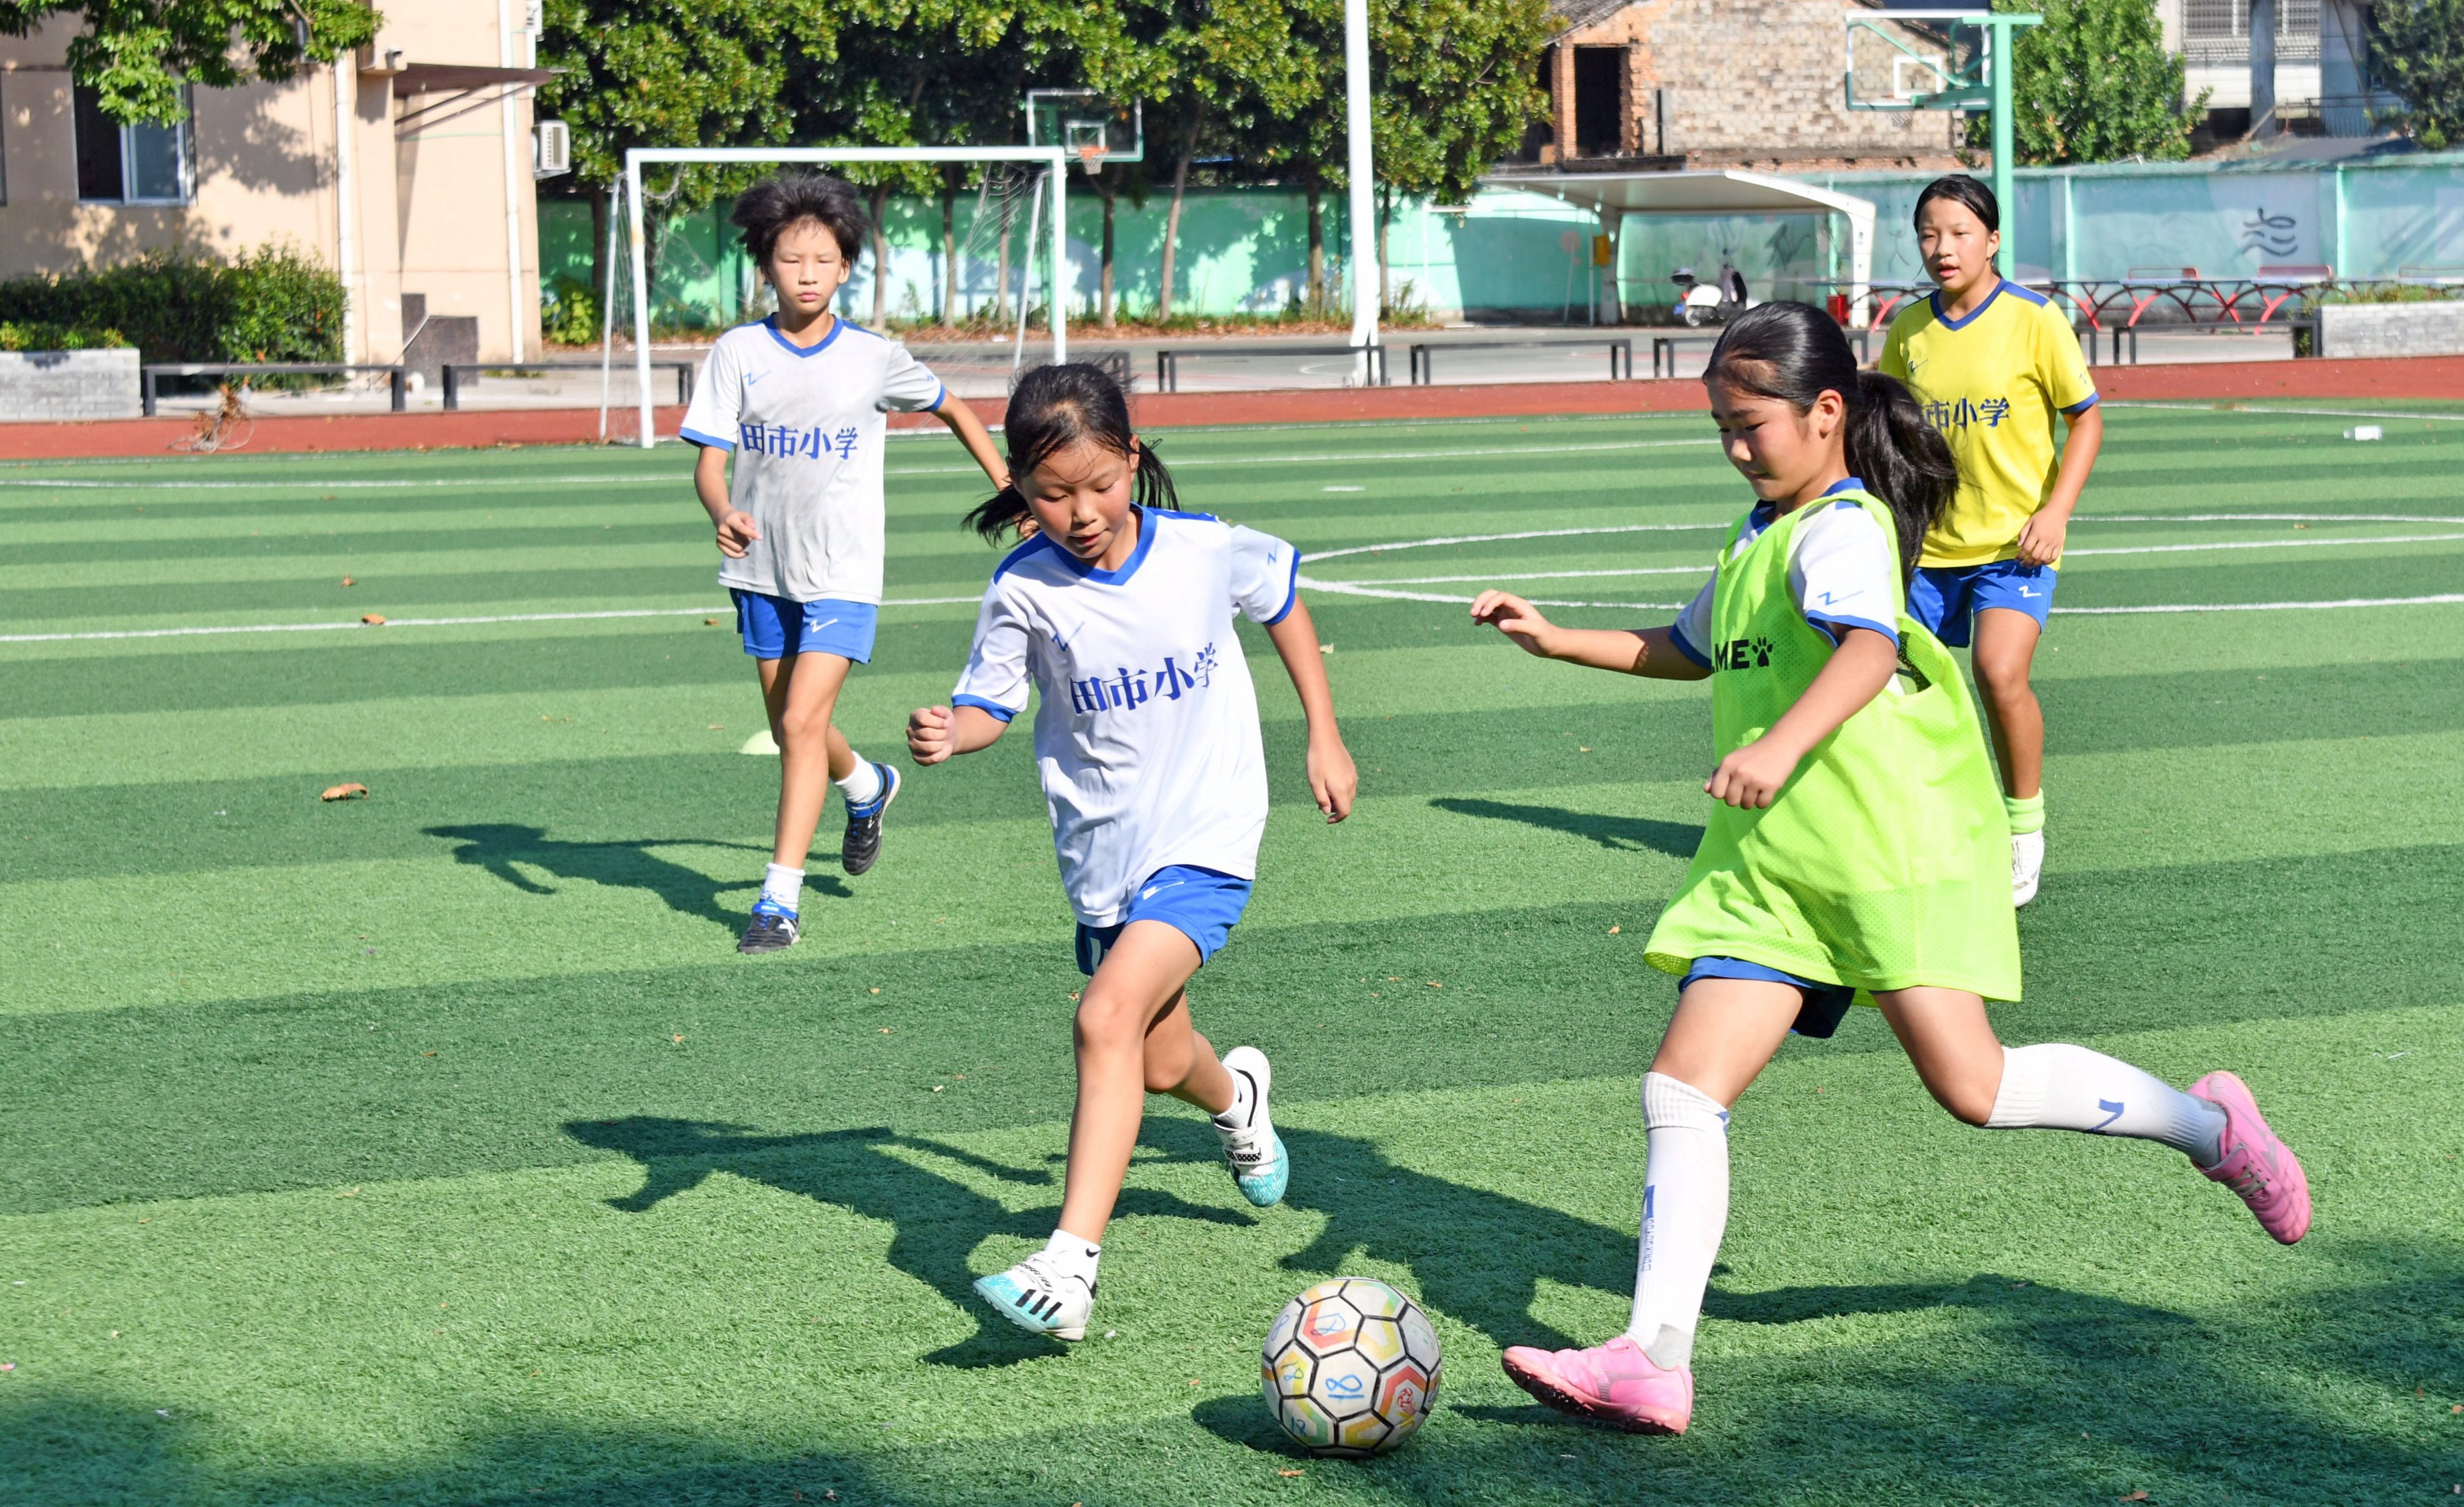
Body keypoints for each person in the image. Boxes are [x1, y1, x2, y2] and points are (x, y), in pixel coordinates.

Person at [1469, 303, 2307, 1437]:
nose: (1733, 444)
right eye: (1718, 424)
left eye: (1749, 423)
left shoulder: (1845, 530)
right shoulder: (1760, 529)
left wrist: (1776, 743)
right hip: (1776, 868)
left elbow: (1866, 647)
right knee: (1680, 1084)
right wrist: (1555, 636)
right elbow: (1690, 645)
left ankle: (2212, 1128)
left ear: (1826, 413)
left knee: (1978, 1090)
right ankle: (1654, 1356)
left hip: (1884, 845)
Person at [906, 363, 1357, 1342]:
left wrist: (1322, 731)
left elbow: (1280, 598)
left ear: (1134, 460)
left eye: (1100, 484)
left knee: (1104, 1014)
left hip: (1209, 833)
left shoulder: (1201, 549)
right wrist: (954, 731)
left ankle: (1069, 1268)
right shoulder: (1023, 587)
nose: (1081, 511)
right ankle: (1237, 1097)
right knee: (1155, 1060)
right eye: (1053, 493)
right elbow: (992, 701)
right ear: (1022, 489)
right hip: (1104, 854)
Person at [678, 172, 1009, 954]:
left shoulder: (873, 356)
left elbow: (954, 407)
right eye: (791, 259)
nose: (806, 273)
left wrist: (1005, 486)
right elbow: (708, 464)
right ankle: (866, 785)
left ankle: (777, 902)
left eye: (823, 260)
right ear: (766, 265)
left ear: (846, 267)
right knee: (795, 725)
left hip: (845, 573)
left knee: (799, 721)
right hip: (764, 572)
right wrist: (723, 511)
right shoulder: (737, 353)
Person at [1879, 173, 2103, 906]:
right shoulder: (1908, 329)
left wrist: (2057, 511)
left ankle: (2022, 830)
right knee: (1893, 688)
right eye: (1928, 234)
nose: (1942, 249)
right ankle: (1915, 826)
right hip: (1927, 550)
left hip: (2015, 547)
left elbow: (2088, 420)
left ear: (1993, 239)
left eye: (1959, 233)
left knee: (2000, 673)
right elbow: (1882, 427)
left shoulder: (2036, 319)